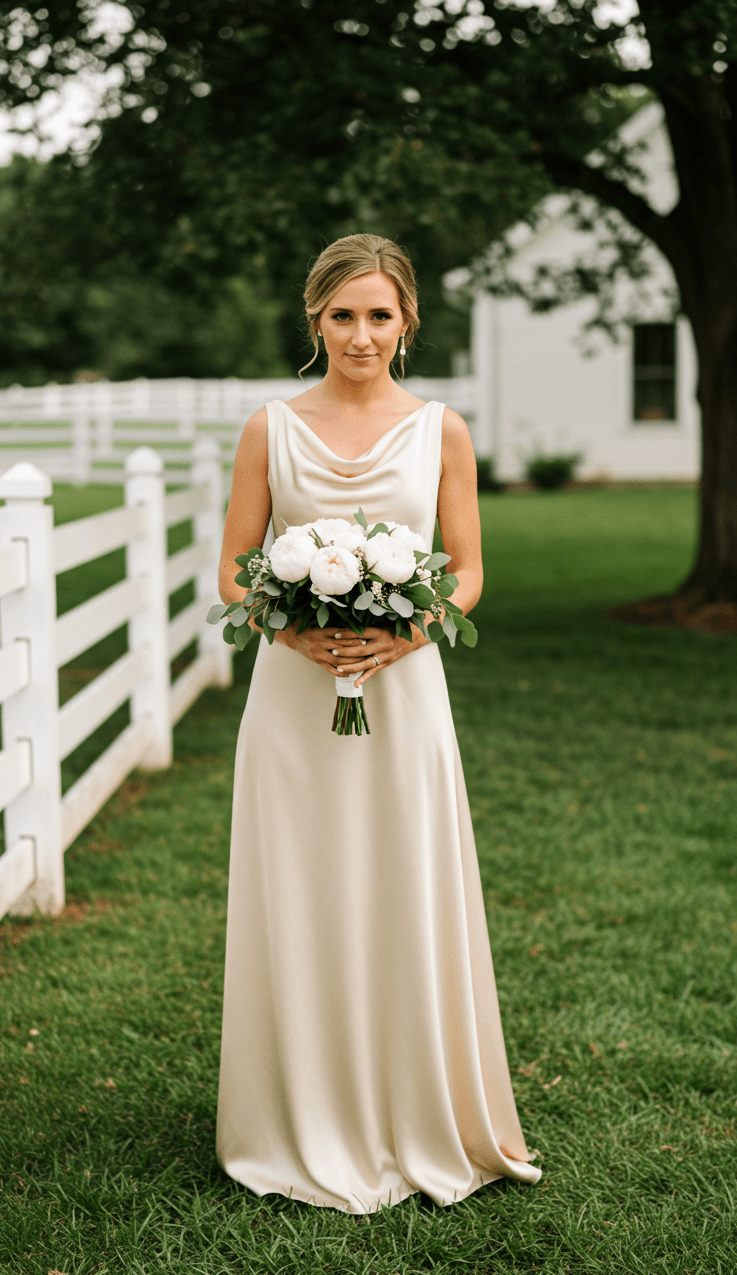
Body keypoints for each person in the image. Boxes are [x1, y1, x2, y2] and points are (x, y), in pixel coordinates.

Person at [214, 233, 541, 1213]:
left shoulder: (440, 428)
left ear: (406, 324)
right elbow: (236, 566)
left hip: (404, 696)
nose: (361, 334)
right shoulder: (267, 427)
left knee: (403, 878)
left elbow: (468, 566)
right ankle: (292, 1115)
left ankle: (413, 1107)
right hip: (289, 695)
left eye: (379, 315)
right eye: (343, 314)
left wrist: (410, 634)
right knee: (302, 886)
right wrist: (292, 632)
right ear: (314, 320)